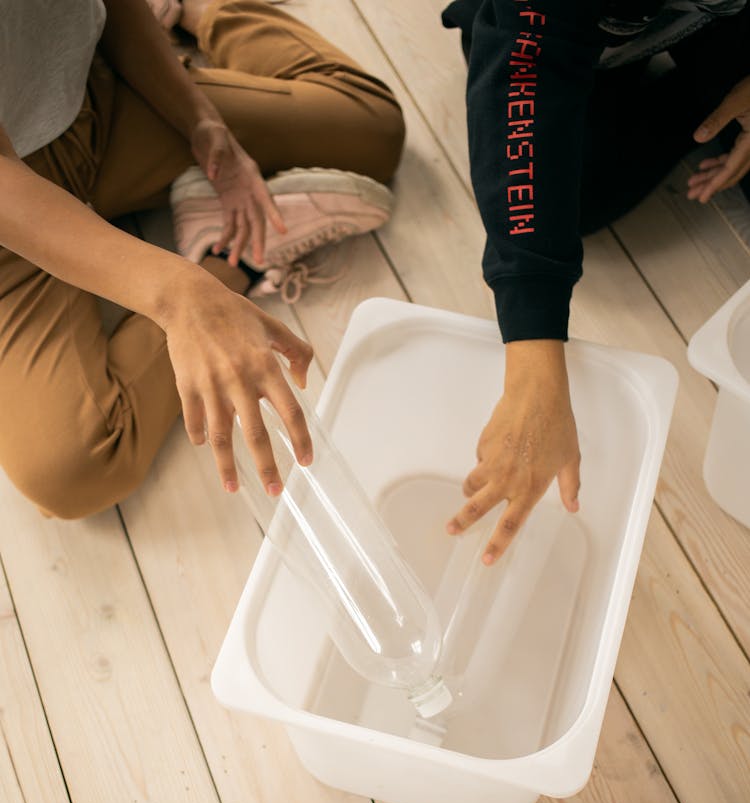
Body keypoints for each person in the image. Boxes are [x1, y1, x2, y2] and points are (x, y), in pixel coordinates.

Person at [0, 0, 405, 519]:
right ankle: (233, 255)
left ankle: (198, 8)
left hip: (93, 101)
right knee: (72, 472)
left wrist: (201, 122)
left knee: (371, 129)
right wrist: (189, 291)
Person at [441, 0, 750, 565]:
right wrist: (533, 363)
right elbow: (524, 83)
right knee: (582, 188)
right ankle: (701, 100)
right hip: (564, 29)